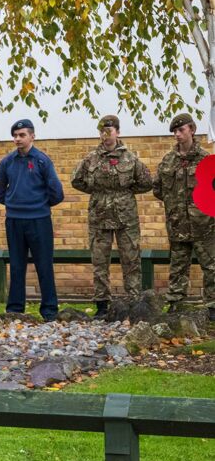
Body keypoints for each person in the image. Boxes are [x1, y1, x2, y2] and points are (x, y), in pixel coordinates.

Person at [71, 115, 152, 319]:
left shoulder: (130, 158)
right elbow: (76, 180)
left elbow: (145, 182)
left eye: (109, 130)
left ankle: (134, 302)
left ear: (118, 132)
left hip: (126, 217)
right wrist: (98, 192)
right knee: (100, 261)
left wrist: (124, 193)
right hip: (99, 216)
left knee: (131, 259)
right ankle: (102, 304)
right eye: (102, 131)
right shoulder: (91, 159)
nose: (106, 135)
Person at [0, 119, 64, 321]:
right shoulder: (8, 162)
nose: (17, 139)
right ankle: (15, 310)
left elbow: (56, 192)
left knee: (44, 265)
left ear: (32, 136)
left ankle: (50, 311)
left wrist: (39, 205)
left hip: (39, 220)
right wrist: (13, 202)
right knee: (16, 265)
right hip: (14, 220)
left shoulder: (42, 160)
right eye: (15, 135)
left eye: (22, 135)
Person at [152, 113, 215, 320]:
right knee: (178, 266)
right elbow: (158, 189)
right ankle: (175, 304)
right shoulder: (168, 161)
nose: (177, 135)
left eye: (181, 130)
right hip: (178, 223)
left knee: (211, 266)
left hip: (204, 225)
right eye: (175, 132)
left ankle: (213, 306)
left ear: (192, 130)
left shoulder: (206, 159)